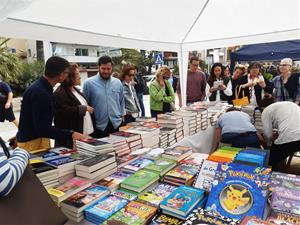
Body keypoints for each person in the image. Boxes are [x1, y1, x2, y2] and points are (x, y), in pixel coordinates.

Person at [16, 56, 85, 152]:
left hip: (33, 139)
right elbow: (42, 128)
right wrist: (71, 134)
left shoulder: (39, 88)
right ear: (61, 75)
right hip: (33, 143)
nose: (67, 76)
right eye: (66, 73)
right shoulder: (41, 93)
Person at [53, 64, 94, 148]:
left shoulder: (76, 90)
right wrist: (83, 108)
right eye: (77, 74)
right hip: (73, 139)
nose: (80, 77)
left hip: (86, 134)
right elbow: (63, 113)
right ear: (69, 77)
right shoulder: (59, 93)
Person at [83, 55, 125, 138]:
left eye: (108, 69)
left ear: (112, 68)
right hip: (98, 126)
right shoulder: (89, 83)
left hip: (116, 124)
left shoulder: (117, 83)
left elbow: (121, 102)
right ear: (99, 67)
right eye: (103, 68)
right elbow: (86, 104)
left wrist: (122, 117)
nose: (106, 71)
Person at [259, 99, 300, 171]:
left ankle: (273, 178)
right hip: (294, 135)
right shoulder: (291, 104)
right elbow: (290, 123)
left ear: (262, 108)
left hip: (289, 138)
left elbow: (268, 135)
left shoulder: (266, 111)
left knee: (270, 161)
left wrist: (268, 145)